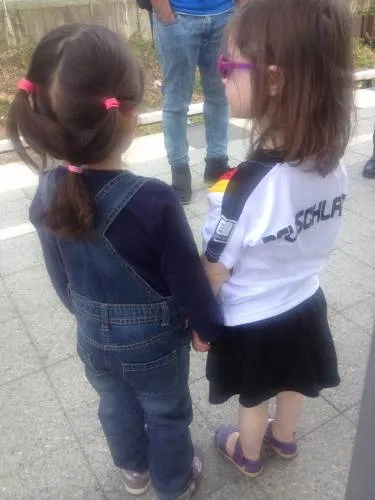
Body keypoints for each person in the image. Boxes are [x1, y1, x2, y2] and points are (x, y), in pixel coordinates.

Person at [7, 24, 224, 499]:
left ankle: (133, 472)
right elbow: (187, 281)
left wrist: (88, 316)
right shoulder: (154, 200)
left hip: (91, 337)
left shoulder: (47, 190)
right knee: (165, 412)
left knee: (114, 406)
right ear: (126, 114)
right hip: (154, 347)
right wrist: (207, 327)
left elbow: (59, 277)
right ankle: (173, 481)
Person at [193, 0, 353, 477]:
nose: (220, 75)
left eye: (227, 65)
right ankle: (284, 440)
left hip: (253, 317)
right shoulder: (333, 163)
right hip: (305, 300)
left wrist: (202, 320)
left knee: (255, 392)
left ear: (275, 80)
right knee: (295, 381)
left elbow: (215, 266)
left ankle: (247, 450)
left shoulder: (243, 188)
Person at [152, 0, 238, 204]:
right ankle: (180, 173)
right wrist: (166, 15)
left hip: (224, 14)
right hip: (179, 15)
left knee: (220, 95)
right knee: (176, 102)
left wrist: (241, 12)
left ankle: (217, 164)